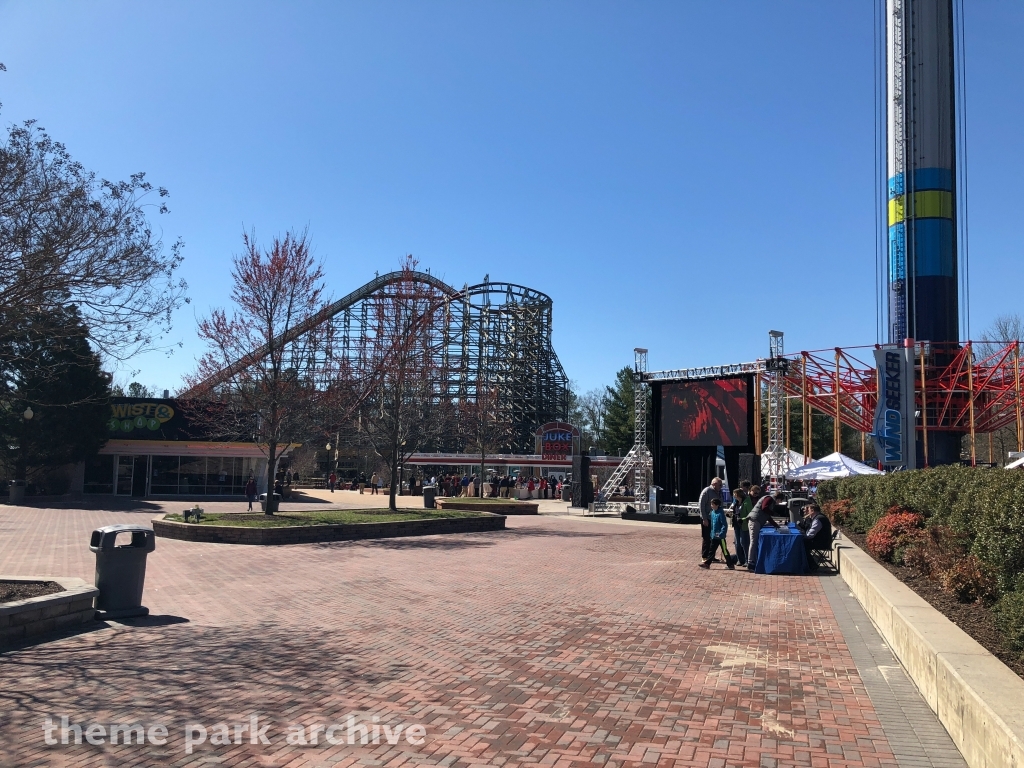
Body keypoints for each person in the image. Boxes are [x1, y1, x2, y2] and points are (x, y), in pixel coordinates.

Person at [746, 486, 781, 571]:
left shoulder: (769, 499)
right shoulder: (769, 499)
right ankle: (750, 562)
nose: (779, 503)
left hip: (756, 520)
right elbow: (764, 508)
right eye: (780, 501)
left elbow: (767, 516)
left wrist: (776, 525)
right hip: (755, 520)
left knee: (754, 541)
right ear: (778, 498)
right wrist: (773, 513)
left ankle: (753, 560)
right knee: (753, 541)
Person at [701, 498, 735, 569]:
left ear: (717, 505)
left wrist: (721, 533)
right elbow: (712, 525)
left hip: (720, 537)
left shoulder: (720, 513)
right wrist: (712, 533)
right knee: (711, 550)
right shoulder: (712, 513)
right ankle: (707, 564)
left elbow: (724, 525)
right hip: (714, 536)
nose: (711, 506)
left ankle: (730, 564)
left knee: (725, 550)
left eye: (713, 504)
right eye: (711, 504)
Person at [798, 503, 832, 572]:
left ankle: (812, 565)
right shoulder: (817, 518)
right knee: (802, 543)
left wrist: (801, 536)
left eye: (808, 510)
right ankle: (808, 564)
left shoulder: (818, 519)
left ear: (812, 511)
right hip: (820, 540)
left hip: (821, 542)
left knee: (801, 544)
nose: (807, 511)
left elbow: (810, 535)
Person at [698, 477, 723, 563]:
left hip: (715, 519)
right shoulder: (707, 491)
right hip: (707, 518)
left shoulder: (719, 492)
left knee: (713, 538)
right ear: (714, 484)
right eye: (720, 485)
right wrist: (704, 518)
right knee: (706, 538)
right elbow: (701, 505)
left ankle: (711, 556)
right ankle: (705, 556)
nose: (721, 487)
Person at [731, 488, 752, 567]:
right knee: (737, 543)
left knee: (744, 542)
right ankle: (740, 560)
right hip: (736, 524)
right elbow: (735, 512)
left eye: (735, 494)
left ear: (739, 494)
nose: (734, 496)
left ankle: (747, 560)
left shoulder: (747, 502)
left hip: (744, 524)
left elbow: (750, 514)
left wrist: (743, 519)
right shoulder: (736, 502)